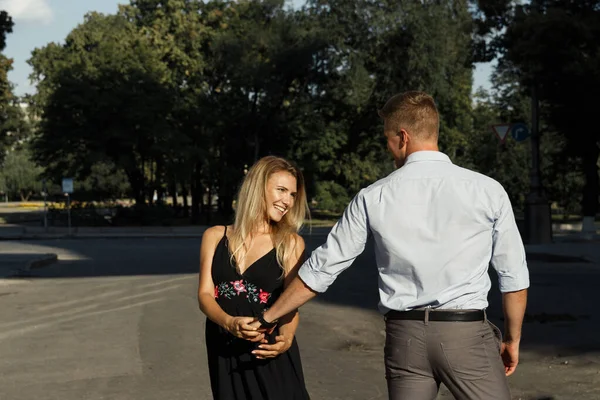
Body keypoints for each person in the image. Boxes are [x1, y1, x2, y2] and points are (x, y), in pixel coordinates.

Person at [247, 91, 530, 400]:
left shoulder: (373, 196)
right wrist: (512, 339)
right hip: (465, 335)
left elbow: (322, 269)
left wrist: (267, 318)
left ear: (402, 136)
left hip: (405, 339)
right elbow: (513, 278)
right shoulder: (487, 190)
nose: (387, 147)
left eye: (387, 138)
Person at [197, 155, 311, 400]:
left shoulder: (290, 243)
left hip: (267, 350)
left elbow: (292, 304)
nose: (287, 201)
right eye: (281, 190)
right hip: (224, 349)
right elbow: (205, 295)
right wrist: (228, 322)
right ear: (258, 187)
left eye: (292, 195)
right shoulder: (215, 236)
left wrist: (287, 337)